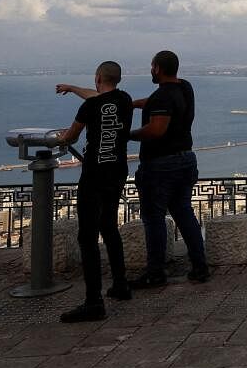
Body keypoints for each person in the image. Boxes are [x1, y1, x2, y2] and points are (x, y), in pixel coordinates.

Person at [54, 61, 134, 322]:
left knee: (87, 237)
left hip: (94, 174)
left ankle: (93, 301)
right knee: (109, 227)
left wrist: (59, 137)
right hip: (117, 171)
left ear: (98, 77)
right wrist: (73, 88)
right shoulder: (124, 100)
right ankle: (120, 284)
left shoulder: (90, 106)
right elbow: (101, 97)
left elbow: (71, 137)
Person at [129, 50, 210, 287]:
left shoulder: (163, 97)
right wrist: (136, 104)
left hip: (161, 164)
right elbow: (161, 101)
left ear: (157, 69)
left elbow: (156, 130)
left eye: (152, 66)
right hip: (186, 159)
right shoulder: (185, 87)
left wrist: (127, 135)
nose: (151, 70)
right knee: (184, 213)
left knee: (153, 218)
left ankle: (155, 272)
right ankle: (199, 266)